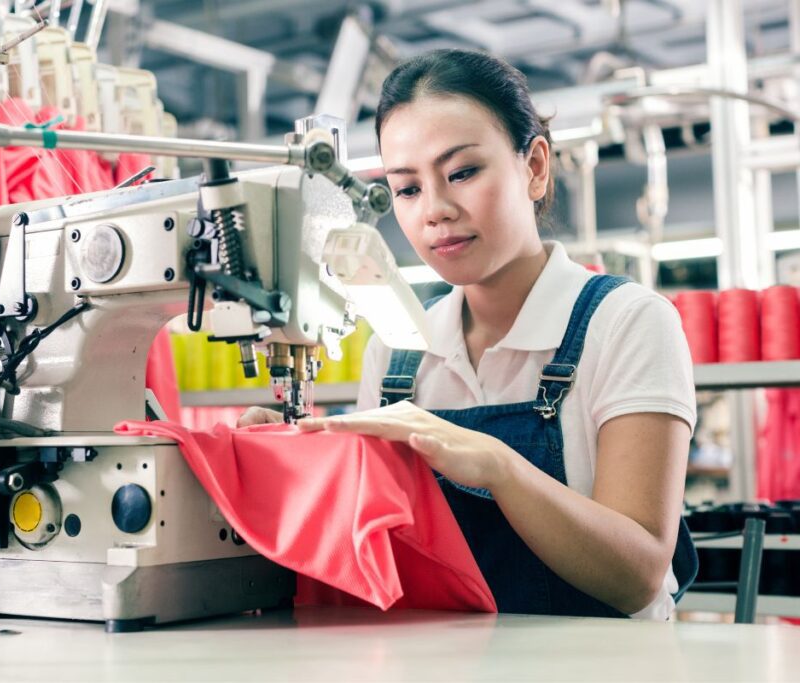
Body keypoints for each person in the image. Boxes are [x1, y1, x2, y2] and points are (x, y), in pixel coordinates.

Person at [239, 49, 697, 620]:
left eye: (462, 173)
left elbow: (638, 576)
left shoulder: (628, 323)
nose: (435, 211)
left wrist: (499, 467)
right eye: (406, 190)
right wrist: (291, 468)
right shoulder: (398, 347)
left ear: (534, 166)